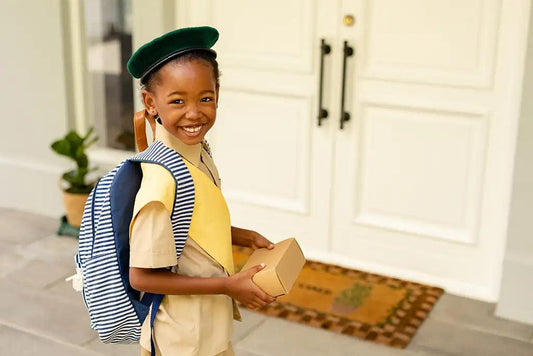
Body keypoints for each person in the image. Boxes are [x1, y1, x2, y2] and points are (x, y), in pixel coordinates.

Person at [126, 26, 277, 356]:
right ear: (150, 103)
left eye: (205, 98)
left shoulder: (198, 155)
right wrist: (227, 285)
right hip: (181, 339)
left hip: (210, 328)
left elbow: (190, 226)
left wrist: (242, 235)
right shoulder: (161, 181)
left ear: (218, 93)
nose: (194, 112)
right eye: (177, 100)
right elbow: (141, 276)